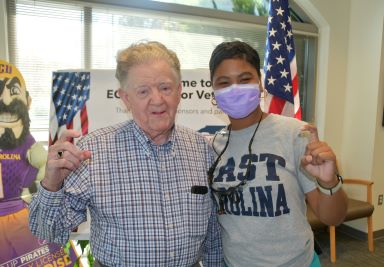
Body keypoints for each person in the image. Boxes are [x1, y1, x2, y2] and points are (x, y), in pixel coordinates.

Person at [29, 41, 223, 266]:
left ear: (179, 91)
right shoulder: (94, 151)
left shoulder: (203, 149)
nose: (157, 99)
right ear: (125, 98)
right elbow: (47, 231)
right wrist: (51, 185)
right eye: (143, 91)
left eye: (165, 88)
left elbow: (214, 237)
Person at [207, 41, 348, 267]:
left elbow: (334, 217)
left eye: (245, 79)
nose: (235, 89)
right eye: (224, 83)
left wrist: (329, 181)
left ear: (260, 84)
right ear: (214, 91)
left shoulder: (296, 133)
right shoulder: (213, 146)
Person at [0, 60, 47, 263]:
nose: (5, 99)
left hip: (17, 216)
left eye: (13, 91)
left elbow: (45, 167)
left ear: (27, 101)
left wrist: (34, 190)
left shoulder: (26, 143)